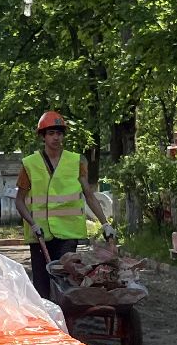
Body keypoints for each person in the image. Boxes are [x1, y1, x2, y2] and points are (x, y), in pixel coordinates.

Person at [15, 111, 115, 298]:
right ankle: (46, 321)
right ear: (43, 136)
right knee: (42, 285)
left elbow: (89, 195)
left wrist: (105, 224)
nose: (56, 137)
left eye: (59, 133)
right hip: (40, 235)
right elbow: (19, 201)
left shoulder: (76, 162)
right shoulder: (29, 165)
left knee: (66, 281)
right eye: (51, 133)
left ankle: (65, 319)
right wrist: (32, 223)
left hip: (68, 233)